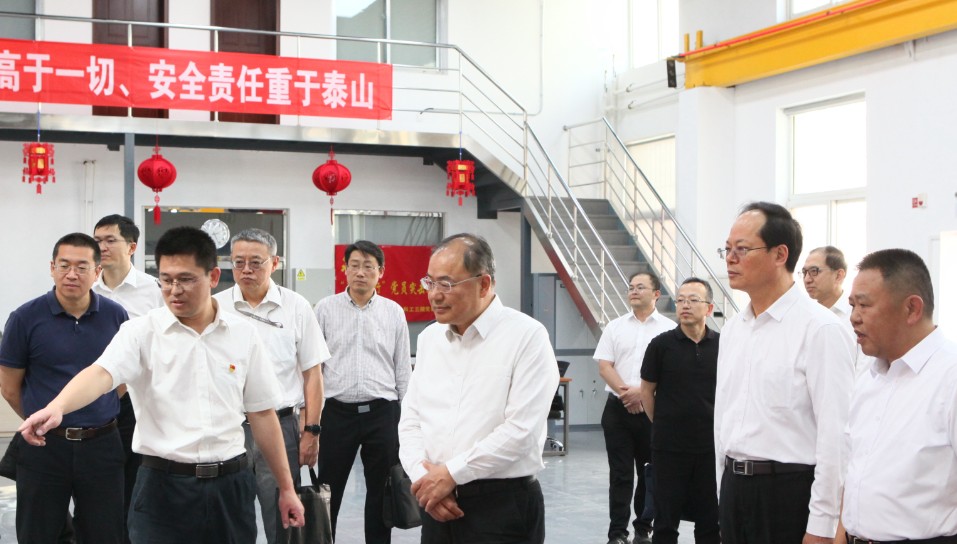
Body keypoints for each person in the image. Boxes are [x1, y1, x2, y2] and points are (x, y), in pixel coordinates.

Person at [18, 226, 305, 544]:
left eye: (186, 279)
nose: (174, 290)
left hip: (230, 487)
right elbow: (101, 374)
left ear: (212, 277)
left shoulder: (243, 335)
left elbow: (262, 414)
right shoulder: (140, 332)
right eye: (166, 280)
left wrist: (287, 488)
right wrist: (58, 406)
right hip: (162, 488)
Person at [398, 233, 559, 544]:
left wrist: (451, 474)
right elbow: (411, 420)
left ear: (484, 284)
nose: (434, 295)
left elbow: (521, 431)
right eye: (430, 282)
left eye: (446, 284)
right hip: (436, 504)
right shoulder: (430, 339)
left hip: (500, 507)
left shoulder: (526, 337)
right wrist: (425, 478)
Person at [715, 202, 856, 544]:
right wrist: (723, 493)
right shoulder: (733, 329)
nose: (730, 259)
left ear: (780, 254)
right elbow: (724, 417)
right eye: (727, 249)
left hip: (788, 494)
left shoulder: (820, 328)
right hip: (735, 491)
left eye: (742, 249)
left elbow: (836, 435)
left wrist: (822, 525)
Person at [0, 233, 128, 543]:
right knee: (38, 532)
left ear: (97, 272)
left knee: (105, 532)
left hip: (102, 444)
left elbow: (121, 382)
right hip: (44, 445)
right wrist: (41, 419)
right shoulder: (25, 318)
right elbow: (9, 386)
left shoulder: (116, 316)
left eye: (82, 267)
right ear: (52, 268)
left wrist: (95, 411)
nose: (72, 274)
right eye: (64, 265)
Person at [214, 228, 330, 544]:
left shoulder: (296, 307)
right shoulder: (215, 307)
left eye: (256, 262)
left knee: (282, 519)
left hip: (281, 427)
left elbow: (313, 374)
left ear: (274, 263)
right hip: (228, 428)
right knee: (228, 516)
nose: (246, 270)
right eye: (238, 262)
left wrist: (312, 432)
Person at [842, 249, 957, 542]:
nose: (854, 317)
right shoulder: (869, 377)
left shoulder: (949, 377)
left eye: (864, 305)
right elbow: (853, 469)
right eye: (852, 305)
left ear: (912, 309)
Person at [314, 240, 412, 543]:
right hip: (336, 413)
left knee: (382, 492)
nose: (360, 272)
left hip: (383, 412)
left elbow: (402, 368)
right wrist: (311, 418)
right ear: (344, 269)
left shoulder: (394, 312)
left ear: (380, 272)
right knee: (328, 491)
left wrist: (407, 420)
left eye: (368, 266)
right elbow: (314, 368)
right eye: (354, 265)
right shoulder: (325, 309)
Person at [92, 213, 164, 542]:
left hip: (137, 400)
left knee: (135, 482)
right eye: (97, 240)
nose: (102, 247)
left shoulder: (154, 290)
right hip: (94, 396)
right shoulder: (86, 287)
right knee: (96, 482)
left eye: (110, 240)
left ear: (132, 247)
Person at [593, 271, 676, 544]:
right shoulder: (615, 327)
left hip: (652, 411)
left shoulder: (669, 330)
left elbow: (671, 371)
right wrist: (627, 394)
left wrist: (643, 393)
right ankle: (617, 533)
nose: (634, 291)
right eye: (631, 287)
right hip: (617, 411)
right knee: (620, 474)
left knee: (648, 472)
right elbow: (605, 366)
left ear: (656, 294)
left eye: (640, 287)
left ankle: (643, 528)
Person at [638, 277, 719, 544]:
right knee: (665, 520)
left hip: (711, 447)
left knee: (710, 520)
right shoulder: (661, 345)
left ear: (709, 308)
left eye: (693, 300)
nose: (685, 305)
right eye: (680, 300)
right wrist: (663, 424)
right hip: (669, 448)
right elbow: (646, 392)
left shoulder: (722, 345)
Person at [801, 246, 873, 375]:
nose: (807, 279)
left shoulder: (859, 316)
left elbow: (865, 371)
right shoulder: (804, 317)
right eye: (804, 272)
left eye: (814, 271)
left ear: (839, 275)